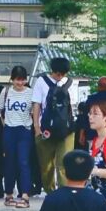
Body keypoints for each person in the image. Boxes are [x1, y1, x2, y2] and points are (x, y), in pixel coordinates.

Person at [32, 57, 76, 193]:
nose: (60, 76)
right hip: (45, 130)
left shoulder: (71, 83)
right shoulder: (41, 82)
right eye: (58, 73)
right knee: (46, 166)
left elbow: (73, 108)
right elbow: (36, 105)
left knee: (64, 164)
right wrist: (36, 128)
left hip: (66, 131)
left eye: (63, 73)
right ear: (53, 70)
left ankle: (63, 193)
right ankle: (50, 192)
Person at [0, 66, 34, 209]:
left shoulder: (31, 93)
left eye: (23, 80)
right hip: (9, 130)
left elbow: (35, 112)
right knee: (10, 162)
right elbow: (0, 111)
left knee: (23, 162)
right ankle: (8, 194)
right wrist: (5, 124)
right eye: (17, 80)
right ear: (12, 79)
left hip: (25, 130)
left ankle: (25, 195)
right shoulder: (6, 92)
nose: (20, 83)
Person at [75, 75, 106, 147]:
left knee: (94, 153)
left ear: (98, 86)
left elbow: (85, 117)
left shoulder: (91, 99)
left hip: (92, 134)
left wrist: (81, 133)